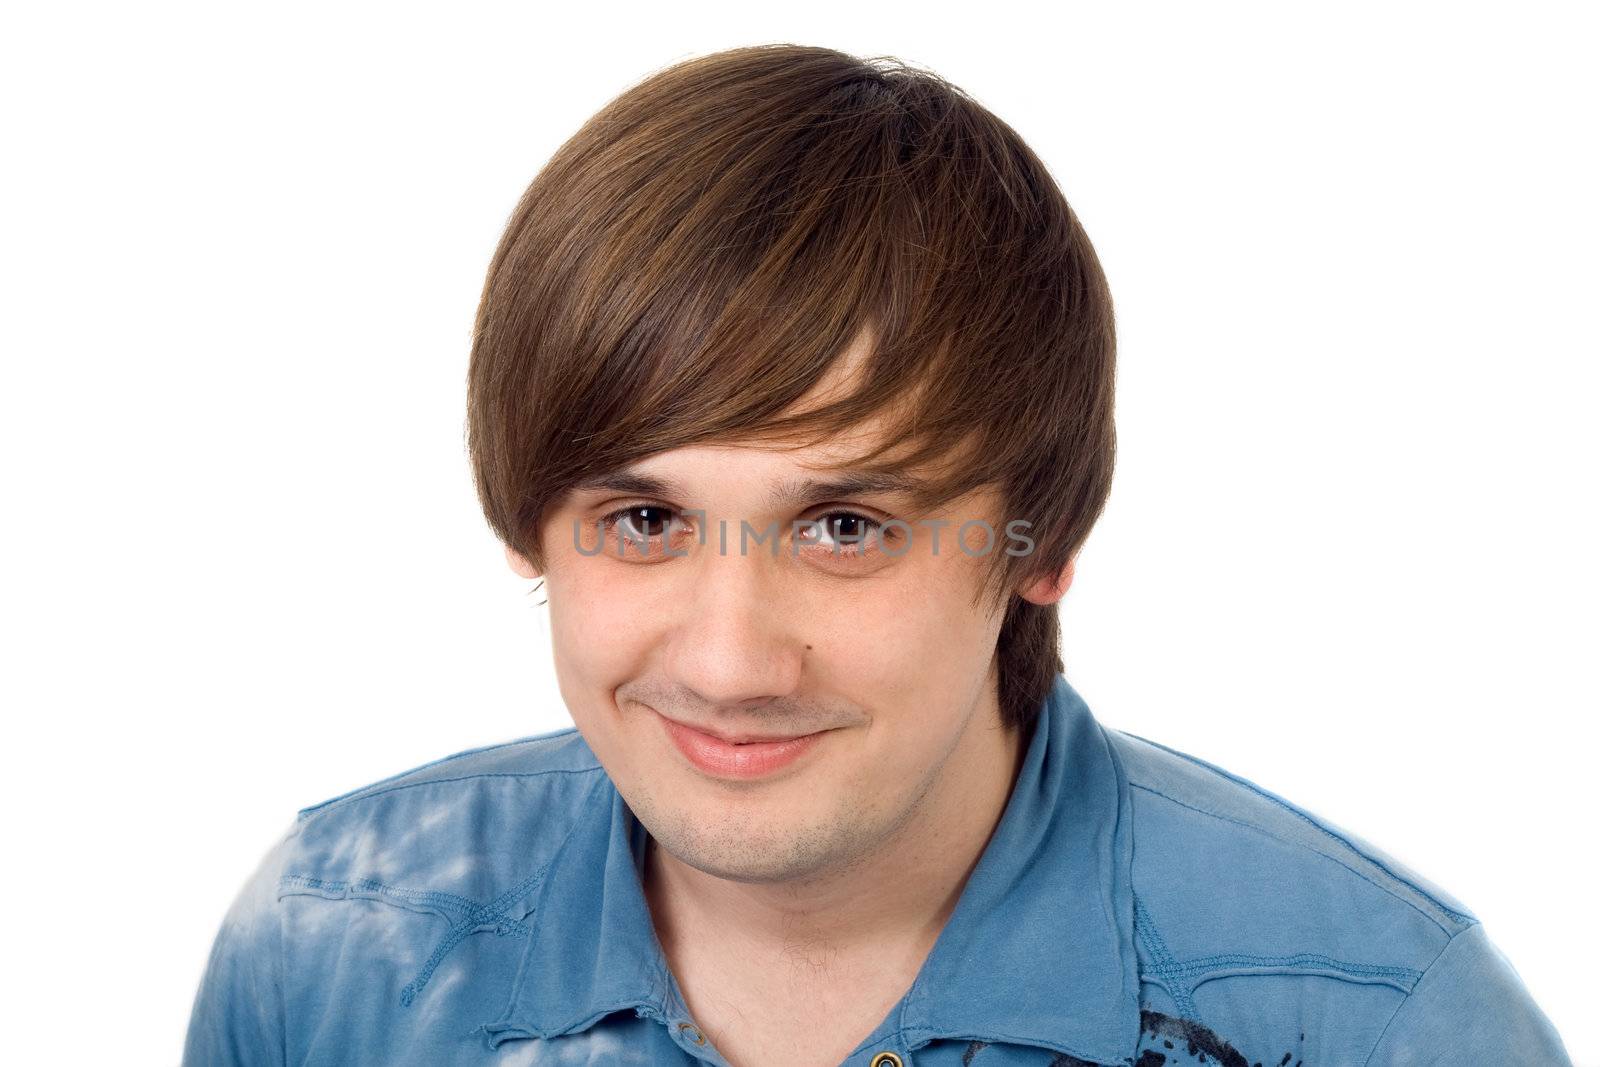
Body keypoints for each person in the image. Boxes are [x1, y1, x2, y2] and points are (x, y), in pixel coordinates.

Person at [181, 43, 1571, 1067]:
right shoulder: (332, 953)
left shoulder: (1380, 1023)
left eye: (845, 527)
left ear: (1044, 540)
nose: (728, 659)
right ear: (529, 527)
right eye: (645, 522)